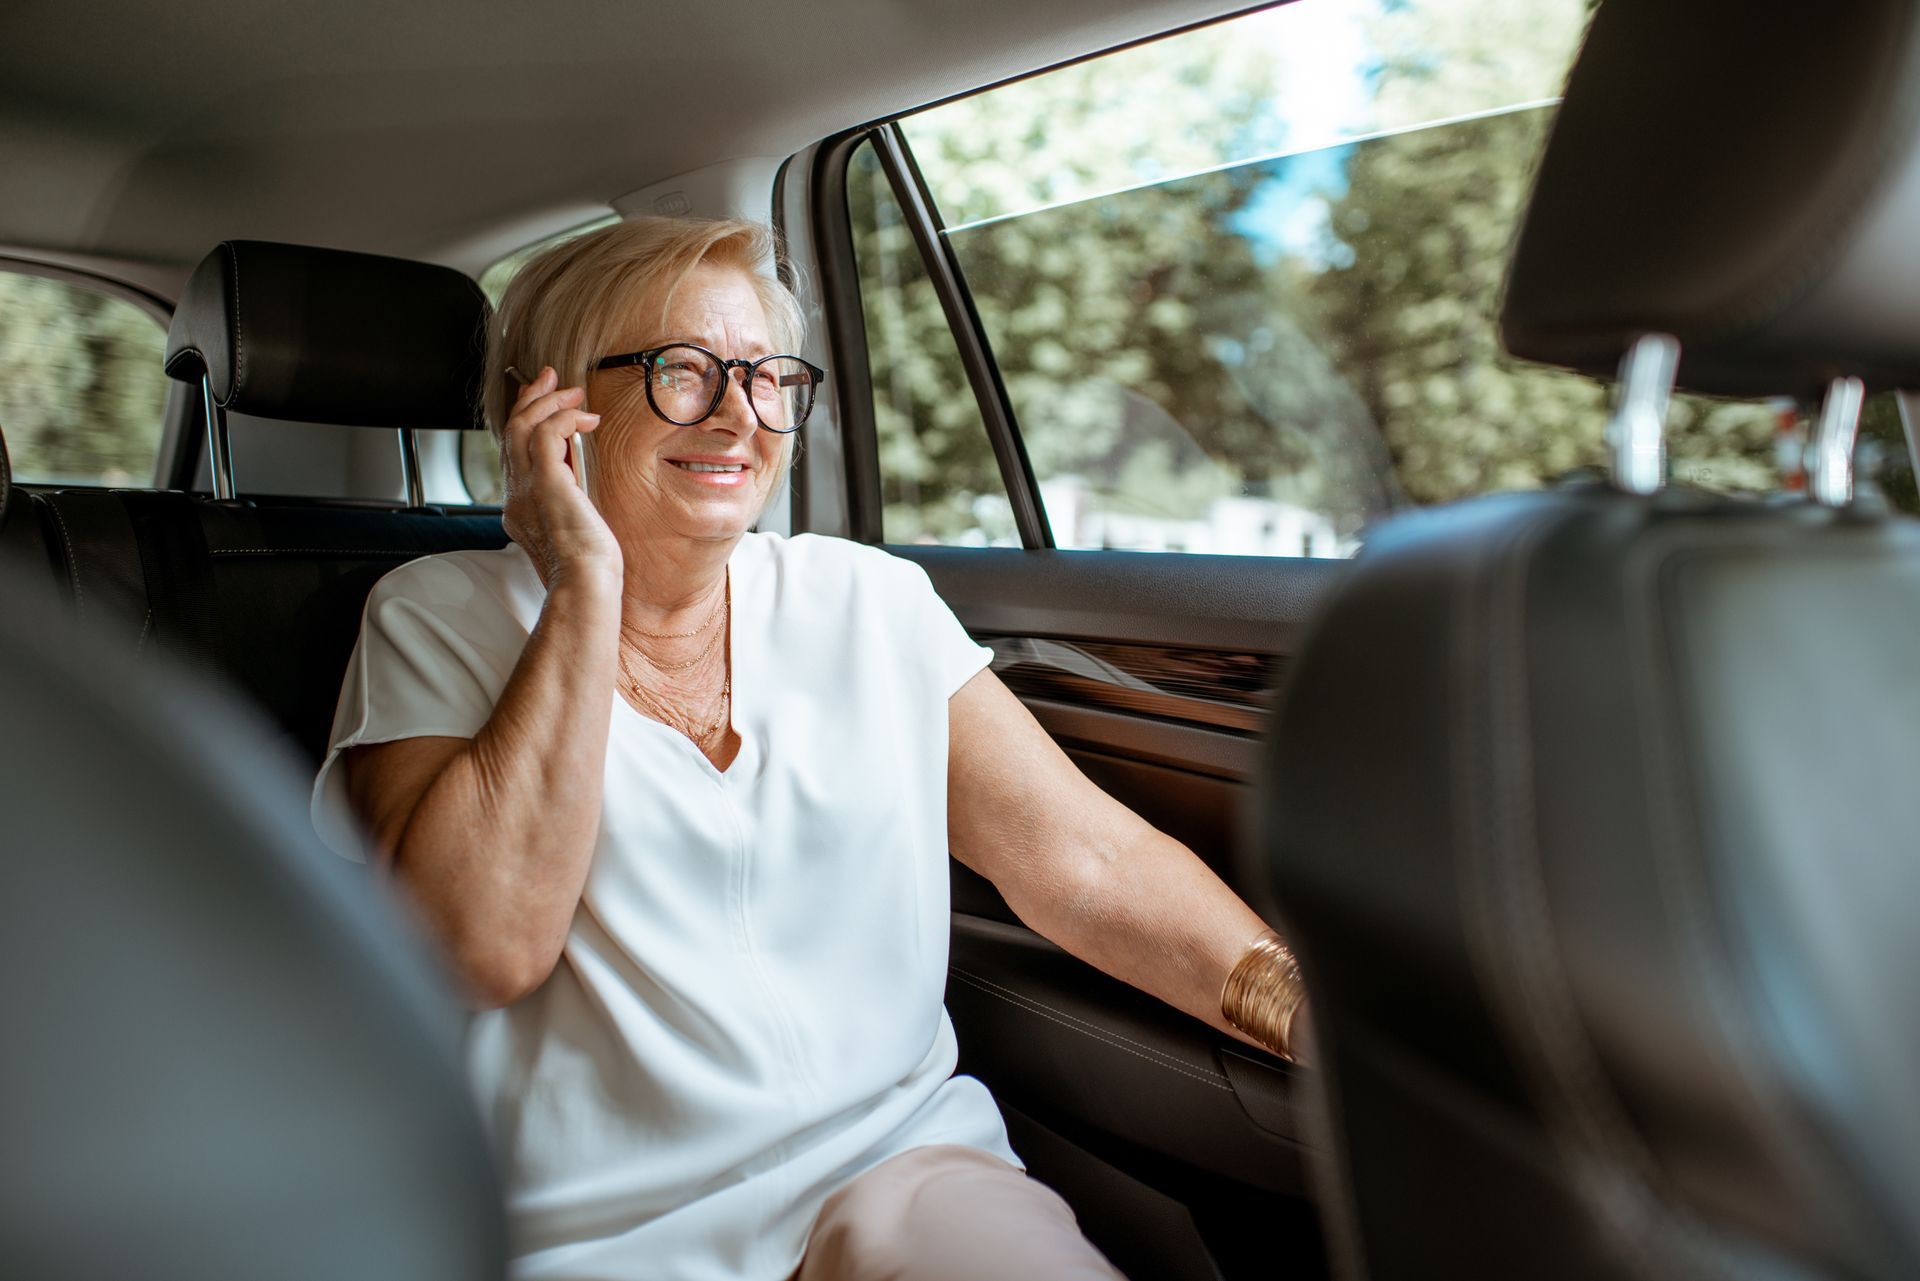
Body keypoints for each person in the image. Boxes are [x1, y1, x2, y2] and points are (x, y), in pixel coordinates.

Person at [310, 215, 1307, 1281]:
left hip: (900, 1173)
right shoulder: (433, 614)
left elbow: (1085, 861)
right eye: (683, 370)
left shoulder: (868, 599)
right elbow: (479, 948)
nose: (741, 414)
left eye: (770, 375)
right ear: (551, 405)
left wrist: (1307, 1014)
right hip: (598, 1236)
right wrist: (582, 584)